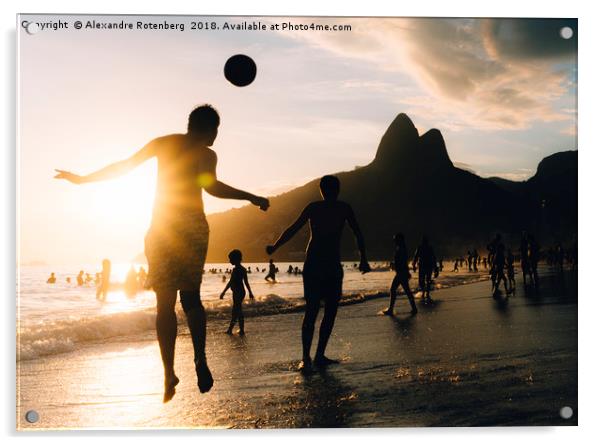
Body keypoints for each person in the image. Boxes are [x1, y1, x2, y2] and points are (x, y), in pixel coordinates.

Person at [55, 104, 269, 402]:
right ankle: (199, 358)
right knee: (191, 298)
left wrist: (82, 179)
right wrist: (251, 196)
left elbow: (124, 166)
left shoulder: (164, 143)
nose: (217, 136)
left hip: (163, 228)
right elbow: (213, 188)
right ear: (209, 129)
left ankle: (168, 372)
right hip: (193, 227)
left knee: (164, 305)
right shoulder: (207, 155)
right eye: (216, 130)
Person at [266, 175, 370, 373]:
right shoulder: (342, 208)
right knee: (326, 311)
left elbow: (293, 229)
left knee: (314, 311)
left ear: (321, 190)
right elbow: (358, 233)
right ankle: (315, 356)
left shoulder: (317, 207)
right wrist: (363, 257)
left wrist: (275, 247)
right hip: (327, 264)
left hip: (317, 264)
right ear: (336, 189)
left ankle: (309, 357)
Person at [220, 249, 255, 335]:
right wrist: (250, 292)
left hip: (237, 292)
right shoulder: (243, 269)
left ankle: (234, 330)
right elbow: (246, 282)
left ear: (235, 259)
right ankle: (236, 329)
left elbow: (231, 282)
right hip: (241, 292)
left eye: (231, 259)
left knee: (236, 311)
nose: (229, 261)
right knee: (237, 310)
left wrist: (223, 292)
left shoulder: (236, 270)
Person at [383, 233, 417, 316]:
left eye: (395, 239)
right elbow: (403, 262)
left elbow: (402, 262)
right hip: (402, 273)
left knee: (393, 289)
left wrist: (395, 265)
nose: (394, 241)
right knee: (407, 291)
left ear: (399, 240)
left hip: (401, 273)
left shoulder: (401, 249)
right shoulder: (402, 248)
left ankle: (391, 309)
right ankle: (414, 308)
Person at [412, 236, 438, 301]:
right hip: (427, 266)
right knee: (426, 280)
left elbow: (415, 257)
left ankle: (425, 293)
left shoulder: (421, 247)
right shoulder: (427, 248)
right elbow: (434, 258)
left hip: (424, 266)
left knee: (423, 281)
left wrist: (414, 266)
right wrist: (435, 268)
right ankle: (425, 293)